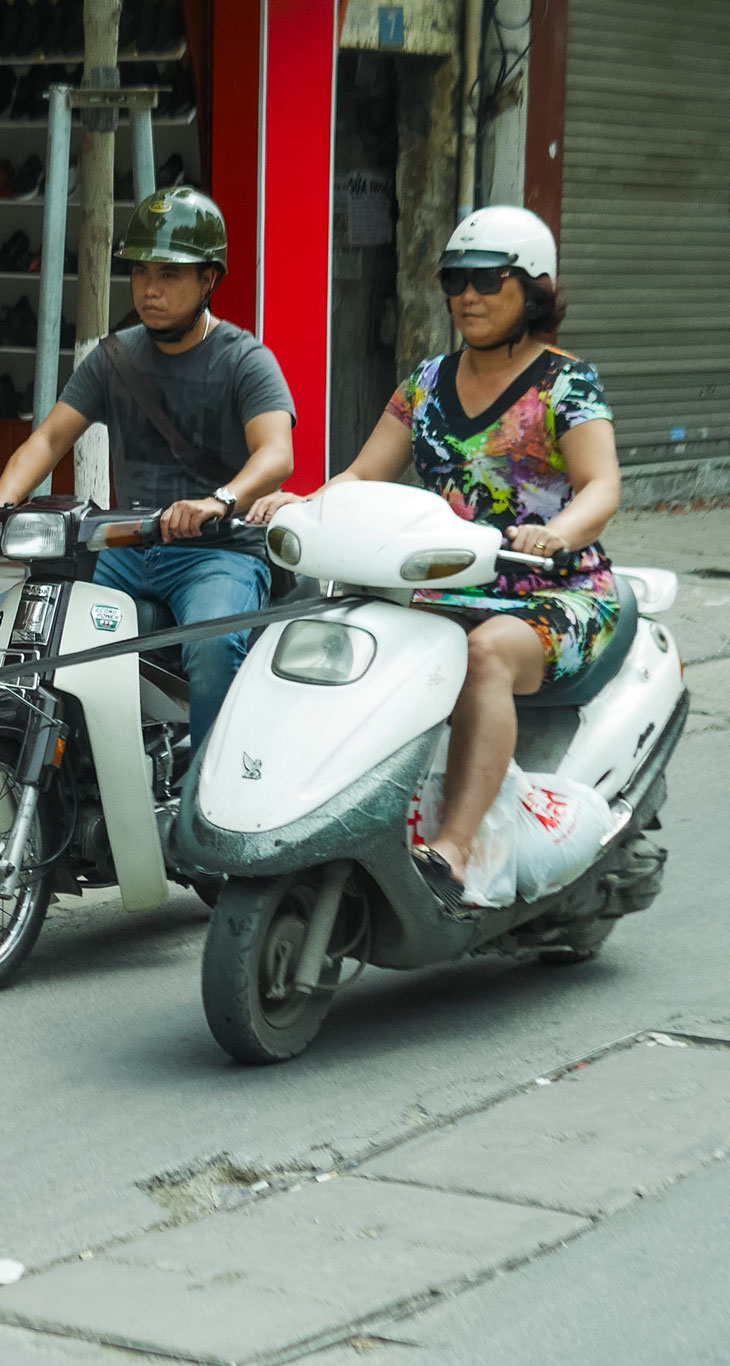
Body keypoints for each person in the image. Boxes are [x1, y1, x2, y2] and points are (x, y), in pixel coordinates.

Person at [254, 205, 620, 914]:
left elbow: (601, 485)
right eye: (456, 279)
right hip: (444, 584)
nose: (468, 296)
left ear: (534, 290)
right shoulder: (424, 382)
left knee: (485, 655)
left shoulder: (567, 385)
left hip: (552, 589)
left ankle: (452, 850)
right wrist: (304, 505)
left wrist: (558, 532)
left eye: (489, 279)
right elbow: (362, 474)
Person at [0, 186, 297, 752]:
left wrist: (219, 501)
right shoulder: (114, 358)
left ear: (209, 280)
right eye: (140, 273)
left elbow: (276, 455)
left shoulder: (244, 359)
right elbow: (48, 440)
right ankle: (57, 771)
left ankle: (207, 797)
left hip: (219, 552)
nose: (150, 289)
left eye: (169, 274)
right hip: (124, 547)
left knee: (212, 648)